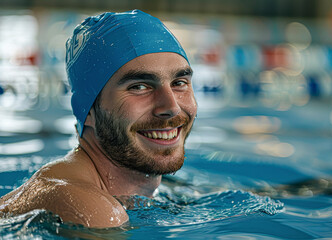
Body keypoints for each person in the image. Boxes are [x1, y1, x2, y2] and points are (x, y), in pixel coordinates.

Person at [0, 10, 197, 228]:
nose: (171, 107)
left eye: (179, 82)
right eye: (139, 86)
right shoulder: (93, 210)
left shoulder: (156, 190)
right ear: (89, 110)